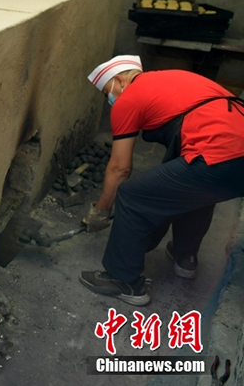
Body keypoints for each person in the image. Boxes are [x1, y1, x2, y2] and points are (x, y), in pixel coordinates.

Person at [78, 55, 244, 306]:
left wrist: (100, 210)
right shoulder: (173, 79)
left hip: (218, 149)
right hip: (230, 149)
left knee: (134, 195)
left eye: (107, 93)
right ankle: (184, 256)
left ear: (121, 81)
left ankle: (122, 279)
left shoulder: (130, 97)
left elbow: (120, 168)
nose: (109, 101)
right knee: (195, 188)